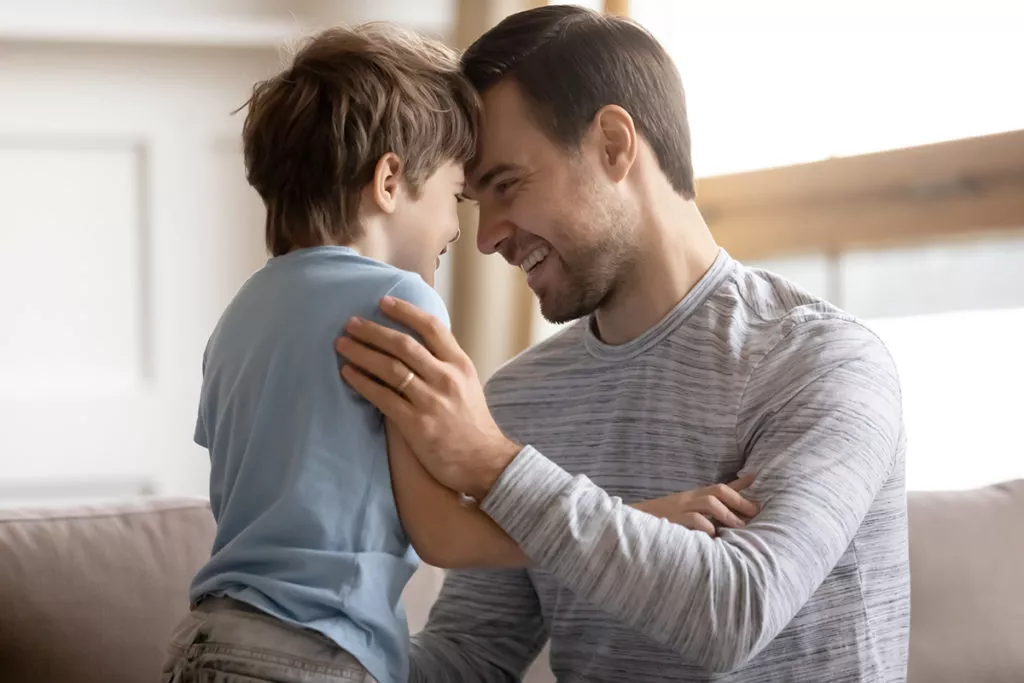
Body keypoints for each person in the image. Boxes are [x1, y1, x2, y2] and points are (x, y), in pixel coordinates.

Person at [164, 20, 759, 683]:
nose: (462, 232)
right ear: (390, 182)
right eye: (457, 196)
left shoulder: (238, 317)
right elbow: (442, 534)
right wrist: (644, 516)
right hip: (313, 657)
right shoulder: (396, 300)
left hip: (206, 640)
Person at [335, 5, 910, 683]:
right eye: (473, 201)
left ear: (613, 144)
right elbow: (471, 655)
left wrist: (492, 463)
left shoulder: (821, 361)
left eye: (507, 184)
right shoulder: (521, 397)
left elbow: (736, 611)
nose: (486, 236)